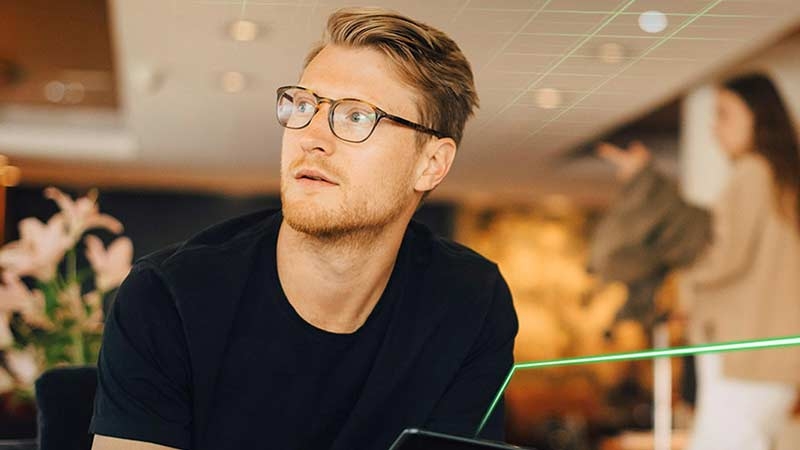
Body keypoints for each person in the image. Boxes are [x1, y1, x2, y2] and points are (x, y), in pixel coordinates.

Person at [89, 8, 519, 450]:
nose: (311, 135)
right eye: (304, 106)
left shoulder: (471, 299)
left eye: (356, 116)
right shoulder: (167, 296)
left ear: (431, 164)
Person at [594, 73, 800, 450]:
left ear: (758, 117)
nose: (714, 127)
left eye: (723, 114)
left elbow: (723, 256)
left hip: (743, 354)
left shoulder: (754, 172)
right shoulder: (783, 180)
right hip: (772, 359)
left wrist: (683, 284)